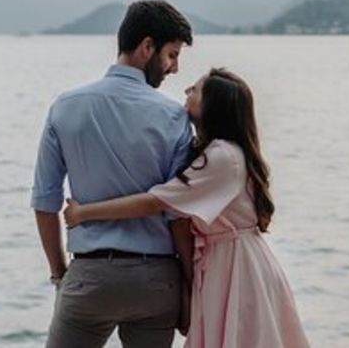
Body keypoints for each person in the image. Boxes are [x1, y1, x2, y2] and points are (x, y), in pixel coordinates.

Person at [64, 68, 310, 348]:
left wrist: (84, 213)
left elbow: (154, 201)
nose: (186, 91)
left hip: (235, 266)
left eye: (195, 89)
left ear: (212, 106)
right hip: (228, 261)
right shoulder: (221, 153)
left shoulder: (222, 157)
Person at [31, 0, 196, 348]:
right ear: (146, 47)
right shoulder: (174, 118)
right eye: (172, 54)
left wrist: (60, 275)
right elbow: (176, 216)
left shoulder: (65, 106)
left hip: (89, 277)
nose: (174, 68)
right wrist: (188, 287)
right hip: (156, 281)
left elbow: (45, 203)